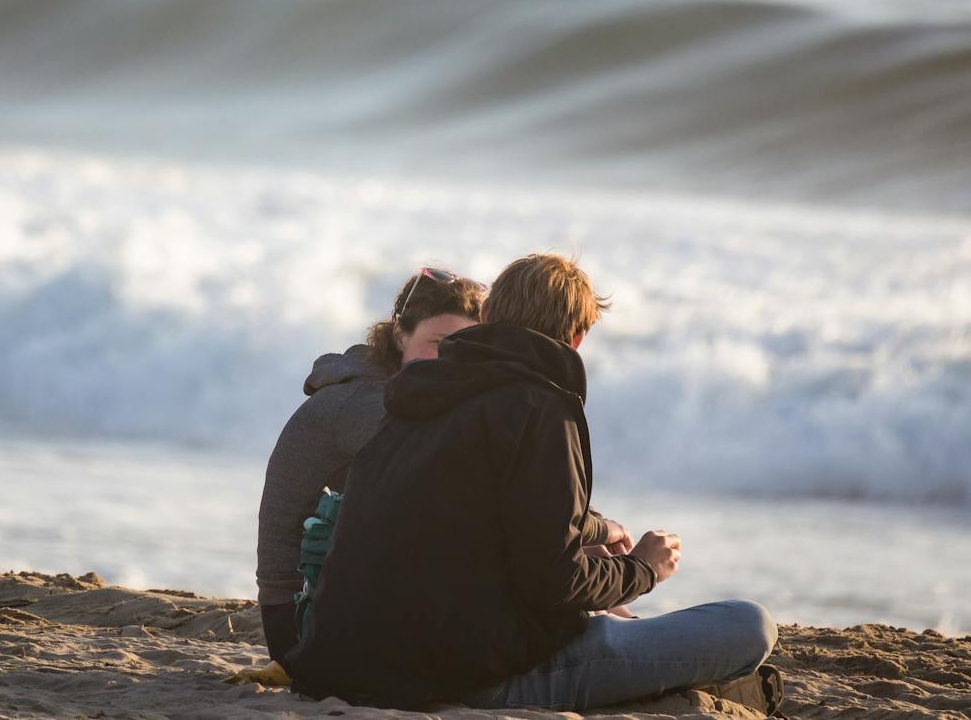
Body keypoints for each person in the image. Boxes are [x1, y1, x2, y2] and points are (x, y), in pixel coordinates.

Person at [284, 253, 776, 711]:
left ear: (490, 315)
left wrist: (595, 529)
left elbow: (481, 511)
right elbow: (554, 582)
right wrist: (643, 569)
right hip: (459, 680)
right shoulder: (540, 406)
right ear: (576, 337)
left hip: (339, 666)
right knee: (749, 625)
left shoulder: (415, 396)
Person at [254, 267, 486, 663]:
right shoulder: (364, 404)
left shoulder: (406, 392)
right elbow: (470, 480)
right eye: (438, 342)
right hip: (300, 623)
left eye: (465, 344)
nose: (451, 356)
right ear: (400, 335)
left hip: (337, 604)